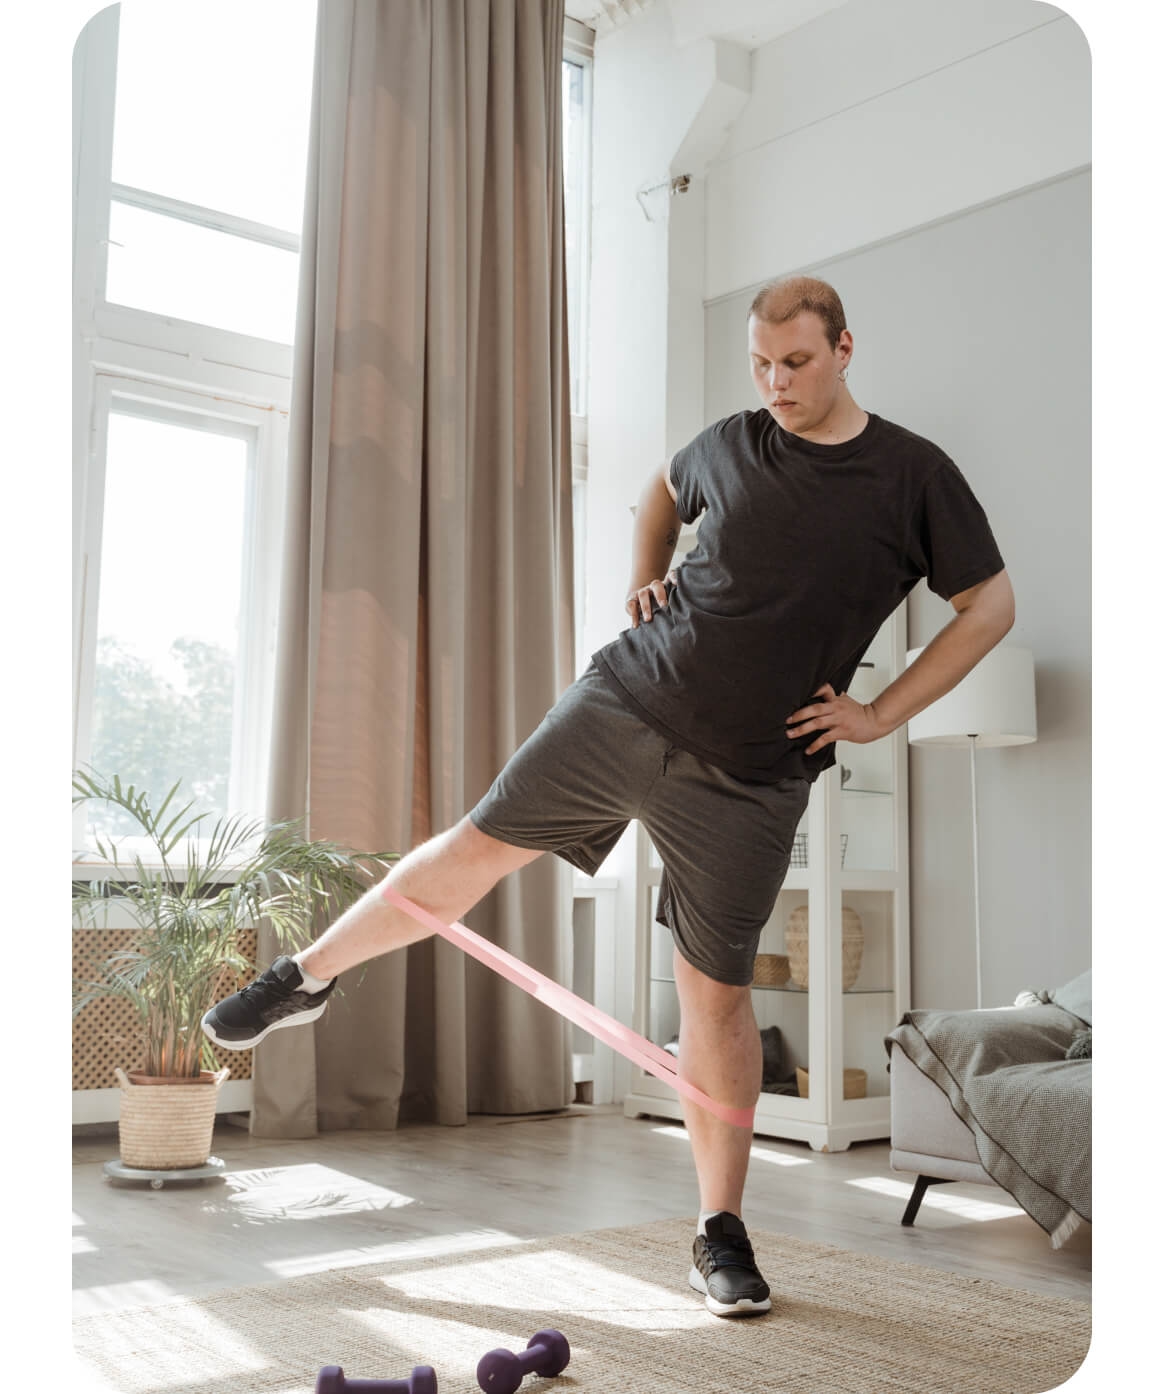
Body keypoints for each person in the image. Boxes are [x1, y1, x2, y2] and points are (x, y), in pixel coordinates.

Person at [203, 275, 1013, 1318]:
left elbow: (990, 604)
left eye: (797, 362)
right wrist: (647, 571)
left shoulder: (911, 475)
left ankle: (719, 1231)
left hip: (754, 772)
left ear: (847, 347)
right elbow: (662, 494)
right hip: (627, 699)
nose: (777, 382)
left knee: (717, 994)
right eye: (762, 363)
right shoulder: (728, 440)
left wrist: (881, 710)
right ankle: (304, 975)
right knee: (469, 850)